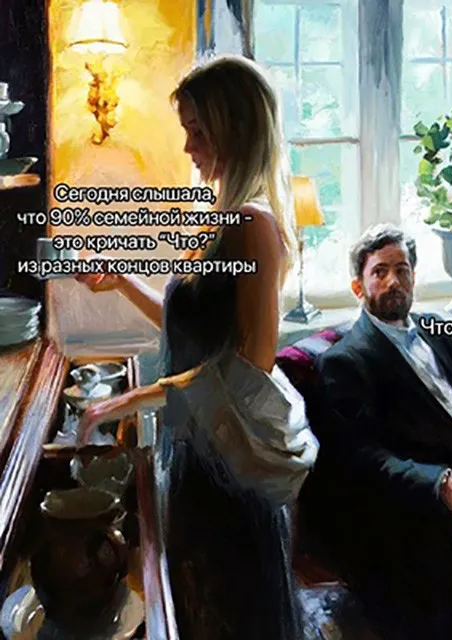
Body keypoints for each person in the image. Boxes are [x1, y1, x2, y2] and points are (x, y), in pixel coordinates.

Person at [75, 54, 318, 639]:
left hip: (228, 471)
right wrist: (122, 279)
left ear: (235, 130)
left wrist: (128, 400)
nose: (187, 147)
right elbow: (188, 330)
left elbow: (248, 368)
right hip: (197, 455)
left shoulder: (253, 227)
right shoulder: (221, 219)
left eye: (197, 131)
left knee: (230, 615)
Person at [299, 223, 452, 639]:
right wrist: (441, 482)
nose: (394, 281)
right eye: (380, 272)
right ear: (358, 288)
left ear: (414, 278)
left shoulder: (435, 327)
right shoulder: (345, 362)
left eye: (402, 270)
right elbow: (360, 458)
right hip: (426, 492)